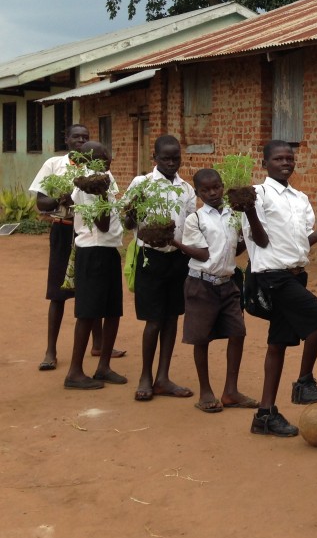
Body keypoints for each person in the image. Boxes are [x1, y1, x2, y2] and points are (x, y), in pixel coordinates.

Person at [243, 140, 317, 437]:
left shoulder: (300, 198)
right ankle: (304, 382)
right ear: (265, 162)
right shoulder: (257, 195)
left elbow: (303, 242)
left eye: (289, 158)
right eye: (279, 158)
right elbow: (261, 241)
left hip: (294, 275)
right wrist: (250, 211)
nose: (285, 163)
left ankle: (264, 415)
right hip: (271, 276)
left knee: (277, 343)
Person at [28, 124, 117, 369]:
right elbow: (41, 202)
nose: (81, 140)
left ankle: (98, 343)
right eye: (76, 137)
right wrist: (62, 198)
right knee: (58, 292)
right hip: (64, 229)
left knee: (92, 289)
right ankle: (51, 350)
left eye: (85, 137)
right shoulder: (54, 165)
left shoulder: (97, 167)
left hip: (90, 233)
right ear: (66, 139)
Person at [178, 168, 258, 413]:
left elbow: (233, 249)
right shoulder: (196, 219)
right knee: (202, 338)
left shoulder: (233, 215)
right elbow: (202, 254)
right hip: (201, 284)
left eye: (217, 187)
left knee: (238, 332)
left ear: (223, 186)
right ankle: (205, 391)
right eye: (206, 190)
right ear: (198, 192)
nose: (213, 193)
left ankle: (231, 391)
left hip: (228, 284)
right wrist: (176, 243)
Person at [124, 135, 197, 401]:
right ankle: (145, 375)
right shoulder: (141, 183)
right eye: (165, 158)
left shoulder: (186, 189)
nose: (171, 163)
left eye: (175, 158)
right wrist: (135, 210)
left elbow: (189, 224)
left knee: (171, 319)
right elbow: (126, 220)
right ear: (154, 158)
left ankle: (163, 377)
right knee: (153, 321)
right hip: (150, 258)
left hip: (177, 260)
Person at [62, 142, 126, 390]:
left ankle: (104, 366)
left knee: (112, 311)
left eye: (108, 155)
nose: (108, 160)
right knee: (88, 312)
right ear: (89, 162)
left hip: (108, 250)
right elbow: (101, 224)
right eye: (101, 158)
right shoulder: (88, 186)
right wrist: (100, 192)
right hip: (92, 251)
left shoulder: (105, 180)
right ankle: (74, 372)